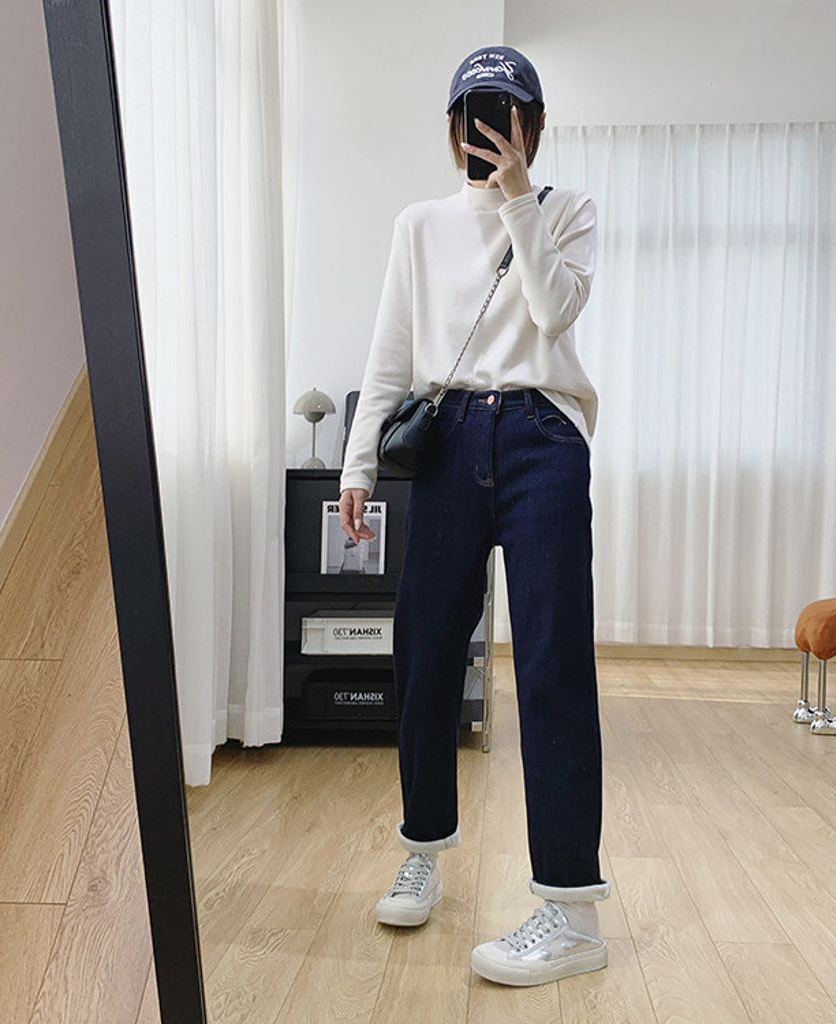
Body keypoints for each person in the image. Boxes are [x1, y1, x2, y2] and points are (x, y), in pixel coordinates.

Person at [338, 45, 608, 987]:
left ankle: (572, 911)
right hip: (447, 439)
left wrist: (520, 196)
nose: (488, 129)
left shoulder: (566, 209)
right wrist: (358, 462)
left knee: (552, 661)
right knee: (423, 650)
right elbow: (390, 351)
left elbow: (552, 312)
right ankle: (423, 847)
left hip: (542, 436)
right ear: (451, 128)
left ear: (535, 124)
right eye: (473, 114)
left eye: (507, 112)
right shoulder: (419, 225)